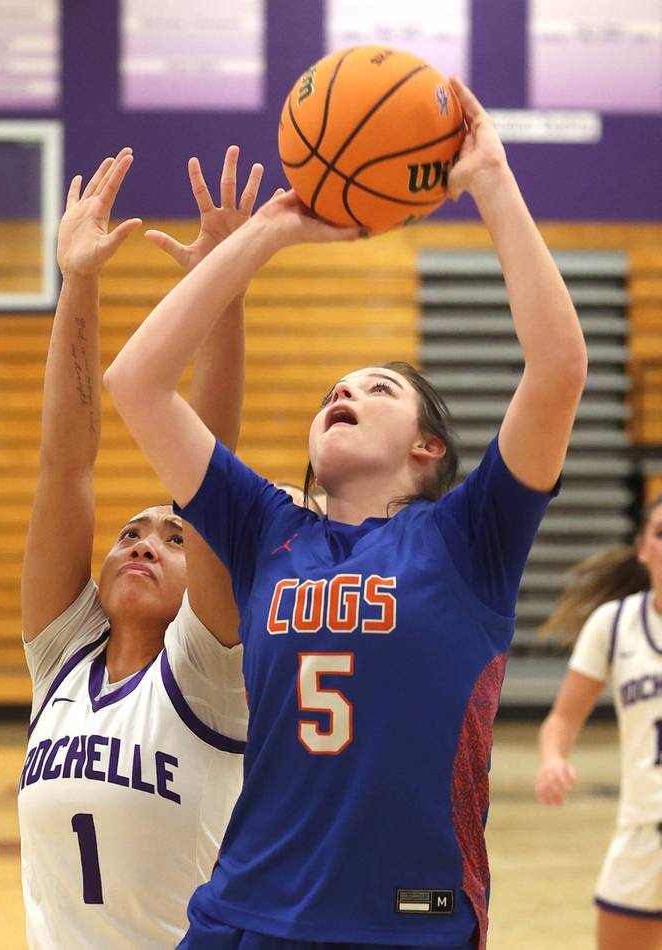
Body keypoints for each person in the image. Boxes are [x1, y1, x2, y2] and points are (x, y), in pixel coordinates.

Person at [104, 77, 587, 949]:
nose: (345, 390)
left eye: (379, 388)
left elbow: (557, 366)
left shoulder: (470, 538)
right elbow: (135, 382)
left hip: (405, 925)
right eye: (336, 387)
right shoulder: (265, 529)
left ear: (427, 448)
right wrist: (265, 235)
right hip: (243, 917)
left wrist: (492, 180)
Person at [18, 145, 263, 948]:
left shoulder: (207, 676)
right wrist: (79, 281)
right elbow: (65, 464)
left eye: (173, 535)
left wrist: (221, 282)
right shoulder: (61, 663)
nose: (143, 542)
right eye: (130, 533)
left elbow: (213, 462)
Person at [535, 496, 662, 950]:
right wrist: (553, 760)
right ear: (643, 548)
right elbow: (562, 720)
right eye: (661, 534)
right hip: (644, 831)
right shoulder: (614, 624)